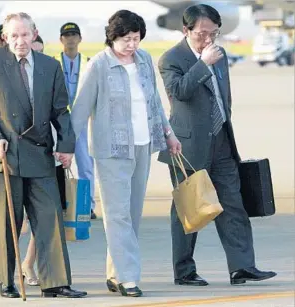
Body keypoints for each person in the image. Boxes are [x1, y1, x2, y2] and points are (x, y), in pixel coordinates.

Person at [157, 4, 276, 286]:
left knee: (233, 203)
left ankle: (242, 266)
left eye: (214, 33)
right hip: (187, 147)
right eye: (202, 33)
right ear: (186, 30)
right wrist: (202, 64)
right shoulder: (171, 58)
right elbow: (179, 92)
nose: (208, 39)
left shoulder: (219, 55)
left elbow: (224, 96)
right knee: (189, 209)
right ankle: (184, 271)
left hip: (221, 139)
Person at [0, 12, 87, 299]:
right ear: (4, 38)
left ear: (34, 34)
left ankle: (55, 282)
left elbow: (61, 110)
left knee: (50, 219)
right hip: (4, 156)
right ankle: (7, 281)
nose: (20, 41)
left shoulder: (50, 65)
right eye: (13, 36)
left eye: (24, 35)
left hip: (41, 154)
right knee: (8, 222)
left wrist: (67, 146)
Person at [71, 10, 181, 297]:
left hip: (143, 144)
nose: (132, 45)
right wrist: (66, 148)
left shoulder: (144, 60)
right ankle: (129, 277)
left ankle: (114, 272)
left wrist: (169, 134)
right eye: (126, 40)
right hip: (111, 150)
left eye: (136, 38)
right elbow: (80, 109)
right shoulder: (98, 66)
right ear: (112, 38)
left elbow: (154, 101)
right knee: (117, 214)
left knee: (131, 214)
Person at [54, 22, 97, 219]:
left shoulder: (89, 63)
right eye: (67, 35)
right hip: (60, 124)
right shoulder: (54, 63)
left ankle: (87, 206)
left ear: (80, 38)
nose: (70, 38)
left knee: (86, 165)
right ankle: (60, 204)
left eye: (74, 35)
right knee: (57, 165)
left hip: (82, 122)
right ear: (61, 39)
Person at [19, 34, 46, 288]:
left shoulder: (48, 72)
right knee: (18, 217)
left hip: (48, 153)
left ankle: (29, 262)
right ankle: (13, 267)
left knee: (45, 215)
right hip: (19, 153)